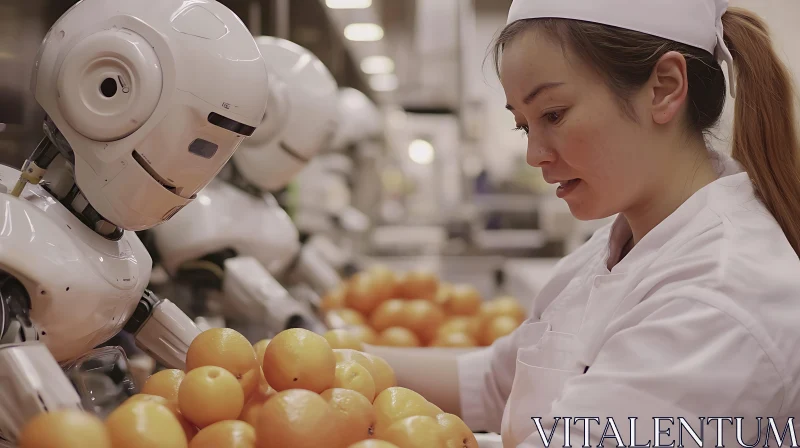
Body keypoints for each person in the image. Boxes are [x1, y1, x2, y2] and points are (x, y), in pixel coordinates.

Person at [388, 1, 800, 447]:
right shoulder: (612, 250)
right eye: (524, 127)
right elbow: (493, 382)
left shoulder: (719, 299)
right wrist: (330, 359)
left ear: (664, 87)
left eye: (553, 114)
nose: (535, 155)